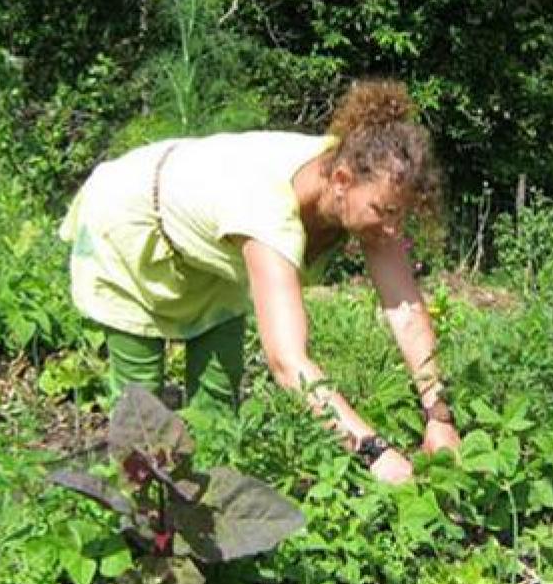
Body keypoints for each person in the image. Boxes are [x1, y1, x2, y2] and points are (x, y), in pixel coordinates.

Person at [57, 79, 461, 483]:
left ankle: (209, 518)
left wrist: (438, 415)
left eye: (400, 214)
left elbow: (406, 312)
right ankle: (141, 523)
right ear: (340, 181)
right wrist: (373, 451)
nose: (393, 228)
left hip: (212, 255)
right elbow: (288, 363)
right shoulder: (266, 208)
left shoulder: (362, 180)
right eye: (384, 211)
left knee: (217, 411)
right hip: (133, 230)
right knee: (140, 410)